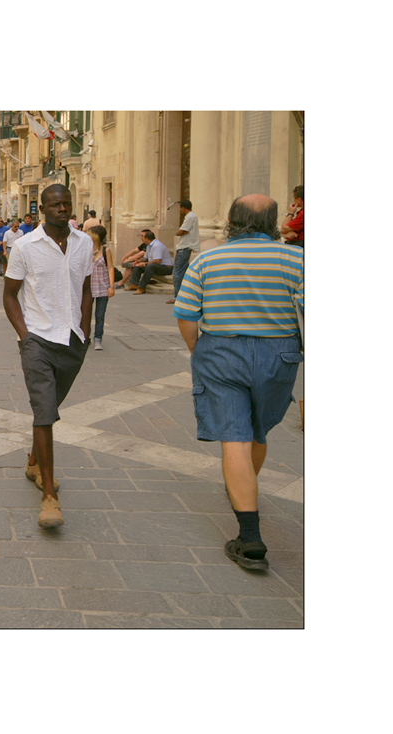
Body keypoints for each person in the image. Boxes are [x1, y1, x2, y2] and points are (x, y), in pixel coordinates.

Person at [173, 194, 303, 571]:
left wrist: (197, 348)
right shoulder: (298, 260)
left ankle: (249, 538)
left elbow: (185, 312)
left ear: (231, 221)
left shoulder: (209, 260)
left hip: (221, 353)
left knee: (235, 437)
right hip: (279, 356)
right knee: (257, 432)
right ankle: (243, 482)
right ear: (273, 222)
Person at [3, 184, 93, 529]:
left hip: (72, 341)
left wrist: (85, 328)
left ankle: (33, 461)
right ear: (42, 208)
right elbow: (10, 296)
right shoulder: (25, 247)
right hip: (38, 339)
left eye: (67, 204)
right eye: (55, 204)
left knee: (50, 405)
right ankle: (49, 499)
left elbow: (86, 288)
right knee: (44, 410)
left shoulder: (85, 243)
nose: (62, 209)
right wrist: (25, 337)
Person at [87, 224, 115, 350]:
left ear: (96, 236)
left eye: (90, 233)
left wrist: (111, 286)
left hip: (102, 287)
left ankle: (98, 338)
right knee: (85, 314)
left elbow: (110, 268)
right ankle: (85, 337)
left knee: (100, 315)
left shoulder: (106, 250)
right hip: (88, 288)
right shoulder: (85, 249)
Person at [168, 200, 200, 305]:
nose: (180, 210)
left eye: (180, 208)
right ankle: (186, 294)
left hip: (184, 247)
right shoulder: (192, 216)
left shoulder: (190, 217)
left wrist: (179, 231)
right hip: (185, 247)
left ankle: (177, 296)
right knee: (185, 272)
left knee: (177, 272)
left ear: (183, 208)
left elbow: (182, 231)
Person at [125, 230, 173, 294]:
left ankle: (142, 287)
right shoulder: (148, 246)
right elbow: (146, 258)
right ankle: (134, 284)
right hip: (156, 265)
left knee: (151, 266)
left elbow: (157, 261)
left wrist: (144, 264)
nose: (141, 238)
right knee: (138, 266)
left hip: (166, 268)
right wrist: (139, 261)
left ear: (147, 239)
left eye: (142, 237)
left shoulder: (157, 245)